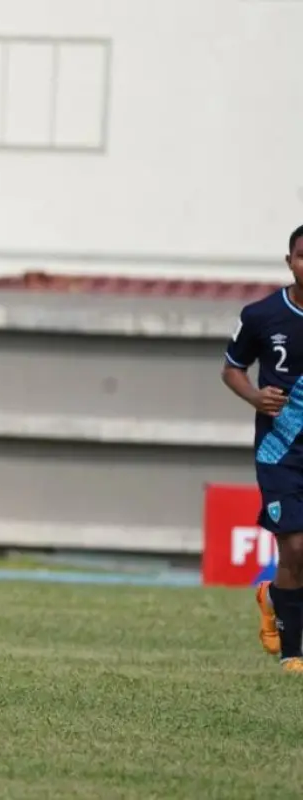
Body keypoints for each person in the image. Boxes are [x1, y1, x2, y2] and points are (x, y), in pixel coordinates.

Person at [223, 223, 303, 673]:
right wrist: (255, 396)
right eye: (302, 255)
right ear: (289, 261)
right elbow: (231, 369)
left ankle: (271, 596)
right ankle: (294, 654)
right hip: (280, 450)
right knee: (294, 548)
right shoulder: (261, 315)